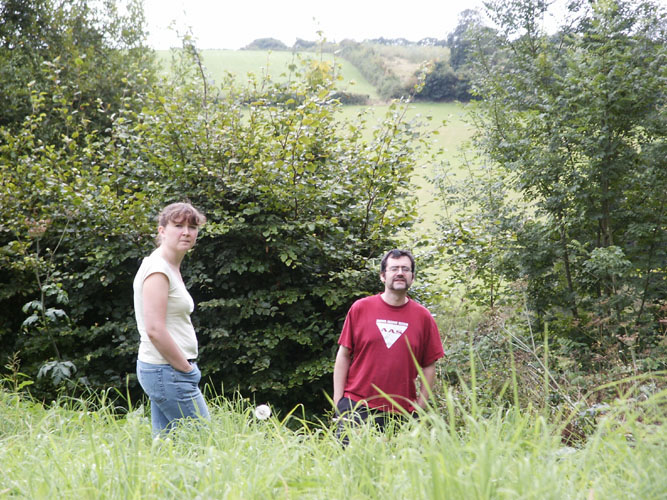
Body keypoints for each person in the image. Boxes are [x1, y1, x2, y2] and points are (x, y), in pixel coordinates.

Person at [333, 249, 444, 440]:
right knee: (348, 466)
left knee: (395, 469)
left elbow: (429, 366)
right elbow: (343, 354)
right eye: (394, 269)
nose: (400, 272)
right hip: (356, 407)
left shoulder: (423, 317)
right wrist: (338, 401)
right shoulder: (360, 308)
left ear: (412, 277)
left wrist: (420, 406)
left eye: (405, 269)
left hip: (401, 412)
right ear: (383, 276)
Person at [134, 202, 210, 435]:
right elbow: (154, 329)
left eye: (192, 226)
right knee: (201, 440)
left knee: (169, 446)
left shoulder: (167, 265)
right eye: (178, 226)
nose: (186, 232)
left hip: (164, 370)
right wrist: (186, 369)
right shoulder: (158, 270)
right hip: (167, 371)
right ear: (162, 230)